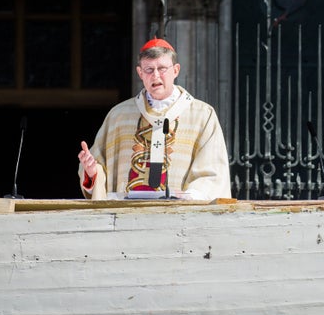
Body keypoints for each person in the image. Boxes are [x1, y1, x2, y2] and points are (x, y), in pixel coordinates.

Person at [78, 38, 231, 201]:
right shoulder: (119, 116)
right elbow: (97, 170)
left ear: (176, 70)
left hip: (179, 217)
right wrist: (92, 173)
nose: (155, 75)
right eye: (149, 69)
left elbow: (212, 174)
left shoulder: (202, 115)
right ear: (140, 73)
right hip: (125, 217)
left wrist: (189, 196)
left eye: (162, 68)